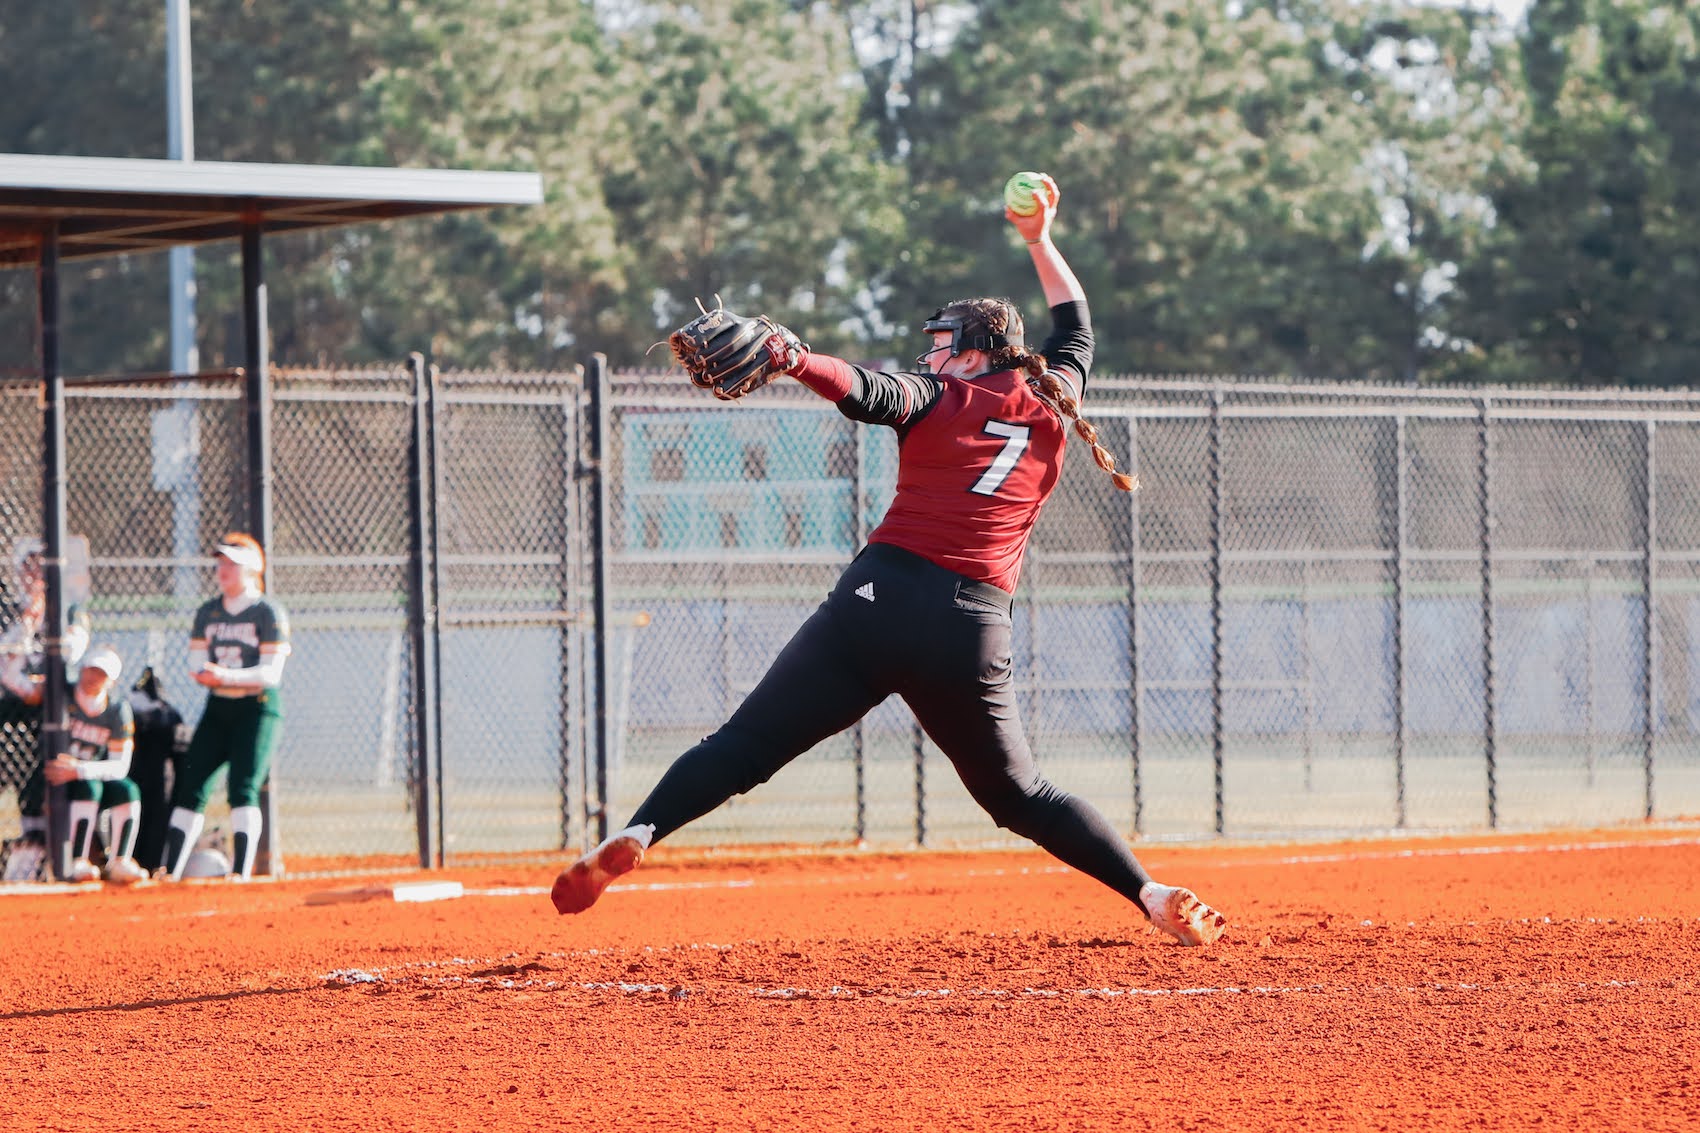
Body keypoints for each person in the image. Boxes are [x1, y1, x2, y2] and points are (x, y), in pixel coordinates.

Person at [553, 176, 1227, 946]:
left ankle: (641, 830)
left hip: (878, 600)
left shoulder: (940, 396)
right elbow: (1076, 327)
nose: (928, 355)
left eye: (940, 344)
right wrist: (1041, 239)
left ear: (975, 351)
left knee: (743, 747)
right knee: (1021, 795)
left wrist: (792, 355)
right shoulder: (1054, 398)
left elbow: (862, 389)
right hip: (970, 628)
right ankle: (1147, 889)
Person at [158, 533, 291, 882]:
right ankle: (169, 872)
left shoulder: (267, 612)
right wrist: (215, 677)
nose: (223, 570)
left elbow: (270, 673)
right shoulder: (208, 611)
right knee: (192, 783)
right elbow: (197, 663)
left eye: (232, 564)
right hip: (219, 708)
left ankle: (241, 873)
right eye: (221, 563)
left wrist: (226, 676)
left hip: (257, 708)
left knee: (242, 786)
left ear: (252, 569)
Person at [37, 645, 145, 883]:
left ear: (112, 682)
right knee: (90, 788)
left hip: (85, 773)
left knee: (127, 789)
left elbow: (120, 766)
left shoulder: (117, 709)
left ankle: (120, 861)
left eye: (101, 674)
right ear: (83, 669)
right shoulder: (63, 696)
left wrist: (79, 769)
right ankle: (76, 860)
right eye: (90, 670)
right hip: (58, 778)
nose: (93, 678)